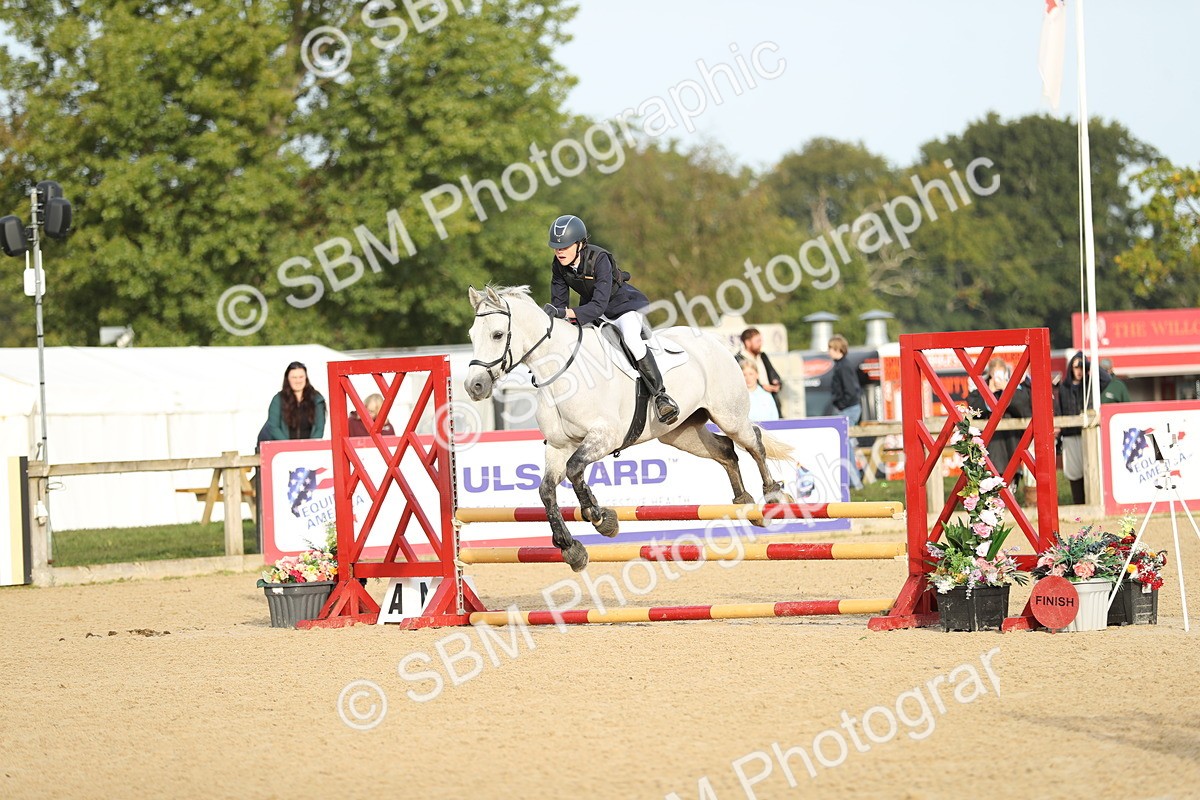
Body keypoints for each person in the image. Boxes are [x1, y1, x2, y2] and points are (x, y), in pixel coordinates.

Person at [543, 214, 679, 424]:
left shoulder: (600, 259)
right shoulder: (559, 265)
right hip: (592, 312)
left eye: (565, 246)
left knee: (631, 339)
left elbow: (597, 305)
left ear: (580, 244)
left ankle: (661, 396)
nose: (559, 251)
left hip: (622, 308)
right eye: (556, 247)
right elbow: (559, 303)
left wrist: (565, 314)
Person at [1053, 351, 1111, 505]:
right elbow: (1060, 409)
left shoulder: (1091, 384)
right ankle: (1079, 504)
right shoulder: (1064, 387)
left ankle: (1092, 503)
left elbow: (1107, 378)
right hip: (1070, 435)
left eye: (1081, 367)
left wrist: (1088, 364)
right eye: (1075, 367)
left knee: (1091, 470)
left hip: (1088, 435)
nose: (1078, 370)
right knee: (1074, 473)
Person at [965, 357, 1032, 488]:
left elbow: (1023, 407)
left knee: (1009, 490)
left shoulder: (1016, 389)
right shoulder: (979, 390)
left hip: (1010, 448)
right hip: (989, 450)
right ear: (990, 374)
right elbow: (974, 408)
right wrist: (989, 393)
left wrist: (1007, 390)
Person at [828, 334, 863, 490]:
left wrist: (840, 404)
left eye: (830, 348)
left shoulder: (843, 367)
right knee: (847, 443)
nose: (828, 351)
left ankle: (854, 481)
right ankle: (853, 480)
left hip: (849, 408)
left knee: (845, 444)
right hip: (848, 407)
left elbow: (850, 391)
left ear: (837, 349)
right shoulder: (842, 365)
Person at [260, 361, 327, 442]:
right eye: (294, 377)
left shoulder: (317, 399)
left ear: (306, 377)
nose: (298, 381)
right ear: (287, 378)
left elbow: (319, 429)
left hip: (309, 449)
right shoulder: (278, 399)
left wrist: (310, 446)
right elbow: (274, 427)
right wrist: (289, 446)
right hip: (283, 448)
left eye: (301, 377)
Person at [737, 327, 783, 416]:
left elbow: (773, 374)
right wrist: (762, 387)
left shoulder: (762, 356)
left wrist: (777, 383)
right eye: (757, 341)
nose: (760, 344)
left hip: (770, 402)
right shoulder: (738, 359)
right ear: (747, 342)